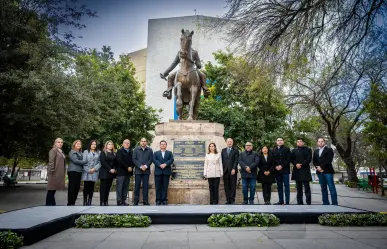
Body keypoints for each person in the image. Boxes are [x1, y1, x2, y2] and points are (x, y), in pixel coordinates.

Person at [160, 29, 210, 99]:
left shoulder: (194, 52)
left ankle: (205, 89)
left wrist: (198, 64)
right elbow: (173, 64)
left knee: (203, 75)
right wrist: (165, 73)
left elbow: (198, 63)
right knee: (170, 76)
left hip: (192, 70)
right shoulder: (179, 53)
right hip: (181, 70)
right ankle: (169, 91)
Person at [313, 137, 338, 205]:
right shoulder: (316, 151)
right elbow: (314, 161)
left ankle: (334, 204)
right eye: (319, 141)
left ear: (324, 142)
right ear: (317, 143)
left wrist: (321, 167)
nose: (320, 142)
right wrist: (317, 167)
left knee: (331, 188)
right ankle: (325, 203)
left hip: (328, 171)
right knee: (323, 188)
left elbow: (329, 160)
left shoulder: (329, 150)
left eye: (322, 141)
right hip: (320, 172)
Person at [291, 138, 312, 205]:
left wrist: (301, 164)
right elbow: (292, 159)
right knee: (298, 189)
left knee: (307, 188)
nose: (299, 142)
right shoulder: (293, 150)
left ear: (303, 143)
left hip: (305, 171)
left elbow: (309, 158)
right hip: (297, 171)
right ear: (296, 143)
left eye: (301, 141)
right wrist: (296, 164)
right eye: (298, 141)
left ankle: (308, 202)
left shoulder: (308, 149)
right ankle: (299, 203)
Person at [133, 138, 153, 205]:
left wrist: (146, 166)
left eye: (145, 141)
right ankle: (136, 201)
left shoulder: (150, 150)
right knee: (137, 186)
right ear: (140, 142)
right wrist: (141, 166)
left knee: (145, 186)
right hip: (138, 171)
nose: (143, 142)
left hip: (146, 171)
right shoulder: (136, 150)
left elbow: (151, 159)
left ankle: (145, 201)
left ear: (147, 142)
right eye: (142, 141)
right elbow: (134, 159)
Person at [153, 140, 174, 205]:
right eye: (161, 144)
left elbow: (171, 160)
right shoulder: (156, 153)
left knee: (165, 187)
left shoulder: (169, 153)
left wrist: (165, 164)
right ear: (160, 145)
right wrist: (160, 165)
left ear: (166, 145)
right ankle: (158, 200)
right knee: (158, 186)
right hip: (158, 172)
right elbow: (154, 160)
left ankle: (164, 199)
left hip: (166, 172)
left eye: (164, 144)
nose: (163, 145)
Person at [68, 140, 88, 206]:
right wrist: (85, 162)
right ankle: (70, 202)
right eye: (77, 144)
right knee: (72, 187)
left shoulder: (80, 153)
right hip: (73, 171)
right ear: (74, 145)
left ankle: (73, 202)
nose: (79, 145)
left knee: (77, 188)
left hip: (79, 172)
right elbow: (75, 161)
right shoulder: (72, 152)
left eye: (80, 144)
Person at [272, 137, 291, 205]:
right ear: (276, 142)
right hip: (277, 171)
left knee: (286, 186)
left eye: (281, 140)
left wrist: (281, 166)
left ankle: (287, 201)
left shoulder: (287, 149)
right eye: (278, 140)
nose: (279, 141)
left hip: (285, 170)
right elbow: (272, 160)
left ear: (283, 141)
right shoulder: (273, 150)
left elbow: (288, 159)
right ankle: (281, 201)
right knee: (279, 186)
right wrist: (275, 166)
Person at [46, 138, 66, 206]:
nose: (60, 143)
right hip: (53, 173)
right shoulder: (53, 150)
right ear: (55, 143)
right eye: (58, 142)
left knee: (53, 190)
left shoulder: (60, 151)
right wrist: (52, 172)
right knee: (51, 190)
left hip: (57, 173)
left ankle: (51, 204)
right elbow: (51, 162)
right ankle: (49, 205)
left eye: (61, 142)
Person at [82, 140, 101, 206]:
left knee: (92, 187)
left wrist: (94, 169)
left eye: (95, 144)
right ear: (90, 145)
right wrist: (88, 170)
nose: (94, 145)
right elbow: (84, 162)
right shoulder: (85, 152)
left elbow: (100, 162)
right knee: (86, 187)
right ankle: (85, 201)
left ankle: (90, 201)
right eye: (92, 144)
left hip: (94, 172)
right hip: (87, 172)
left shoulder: (99, 152)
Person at [116, 139, 134, 206]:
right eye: (125, 143)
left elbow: (133, 160)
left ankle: (123, 200)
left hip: (128, 172)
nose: (127, 144)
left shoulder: (131, 151)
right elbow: (119, 160)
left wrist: (131, 167)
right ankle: (119, 201)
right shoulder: (119, 151)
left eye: (128, 143)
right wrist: (127, 167)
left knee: (126, 187)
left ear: (129, 144)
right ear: (123, 144)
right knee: (119, 187)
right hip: (121, 172)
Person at [221, 138, 239, 204]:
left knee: (233, 185)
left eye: (231, 142)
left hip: (233, 171)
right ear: (226, 142)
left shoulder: (236, 150)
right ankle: (228, 199)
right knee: (226, 186)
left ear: (232, 142)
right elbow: (222, 161)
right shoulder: (223, 150)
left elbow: (236, 160)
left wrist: (234, 168)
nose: (229, 143)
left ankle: (232, 200)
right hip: (225, 171)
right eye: (228, 142)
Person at [99, 140, 116, 206]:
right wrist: (110, 169)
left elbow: (115, 162)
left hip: (111, 174)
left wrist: (114, 169)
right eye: (109, 144)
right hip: (104, 173)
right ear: (106, 145)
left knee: (108, 188)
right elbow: (103, 162)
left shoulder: (114, 153)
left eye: (111, 144)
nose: (110, 145)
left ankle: (106, 201)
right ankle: (102, 202)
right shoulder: (103, 153)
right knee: (103, 188)